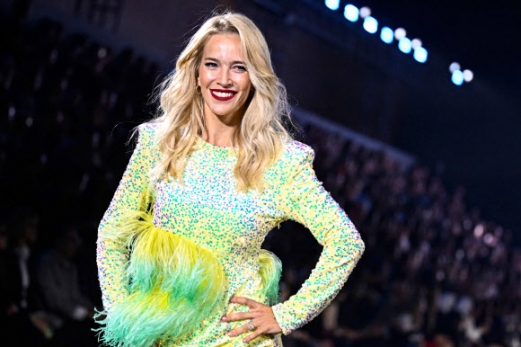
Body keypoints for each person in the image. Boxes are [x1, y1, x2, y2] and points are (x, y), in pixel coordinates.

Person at [95, 11, 365, 347]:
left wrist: (285, 315)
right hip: (162, 337)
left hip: (236, 340)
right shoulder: (159, 143)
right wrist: (124, 317)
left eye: (239, 67)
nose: (223, 79)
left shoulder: (280, 162)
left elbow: (346, 242)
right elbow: (111, 233)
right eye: (212, 64)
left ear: (255, 77)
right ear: (195, 72)